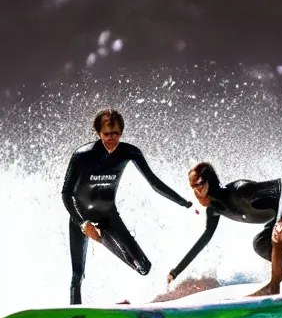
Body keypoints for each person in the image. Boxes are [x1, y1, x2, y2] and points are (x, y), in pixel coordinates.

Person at [61, 108, 194, 305]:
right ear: (98, 133)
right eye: (107, 134)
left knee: (144, 267)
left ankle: (104, 239)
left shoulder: (129, 152)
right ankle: (75, 316)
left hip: (108, 216)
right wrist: (83, 224)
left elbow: (155, 183)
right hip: (81, 218)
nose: (112, 138)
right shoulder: (82, 156)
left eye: (116, 133)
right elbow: (66, 193)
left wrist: (185, 204)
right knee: (77, 275)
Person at [167, 162, 282, 297]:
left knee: (272, 235)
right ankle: (281, 276)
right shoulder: (215, 209)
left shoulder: (240, 190)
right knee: (259, 243)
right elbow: (204, 239)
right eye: (192, 186)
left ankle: (274, 285)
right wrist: (175, 272)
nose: (196, 191)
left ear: (209, 181)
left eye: (199, 184)